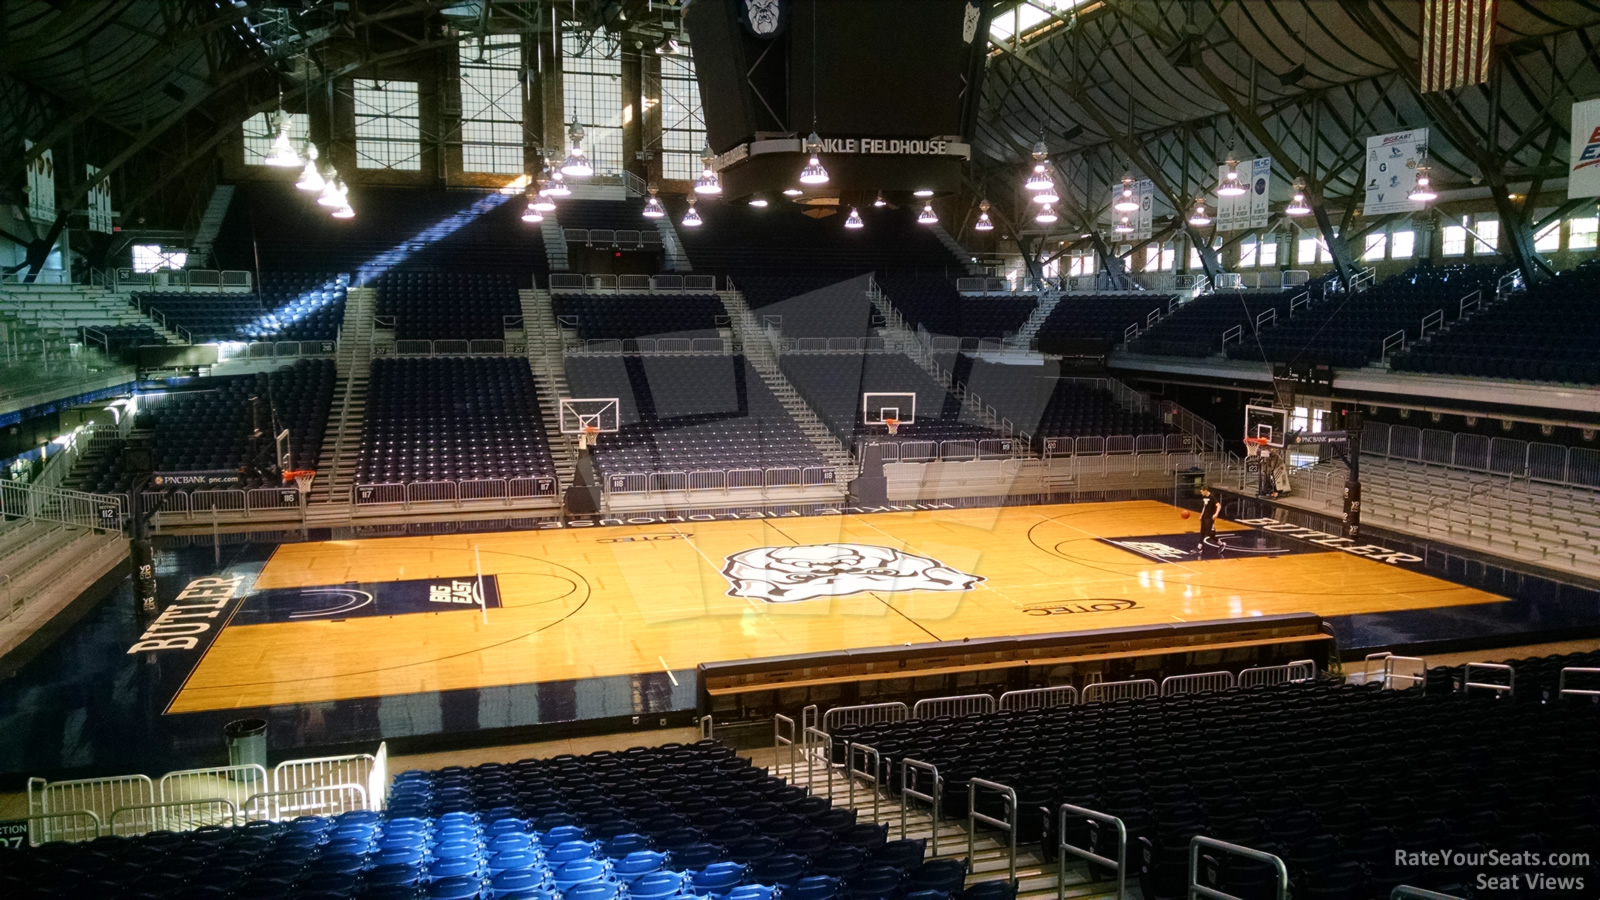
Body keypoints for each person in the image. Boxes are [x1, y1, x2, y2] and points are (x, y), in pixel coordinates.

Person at [1197, 485, 1222, 553]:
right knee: (1202, 532)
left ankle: (1221, 544)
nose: (1201, 493)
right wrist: (1201, 514)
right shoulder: (1204, 497)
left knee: (1209, 533)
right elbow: (1204, 507)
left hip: (1210, 517)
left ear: (1205, 490)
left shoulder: (1212, 497)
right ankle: (1199, 547)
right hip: (1205, 516)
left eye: (1202, 491)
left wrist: (1216, 514)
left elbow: (1219, 506)